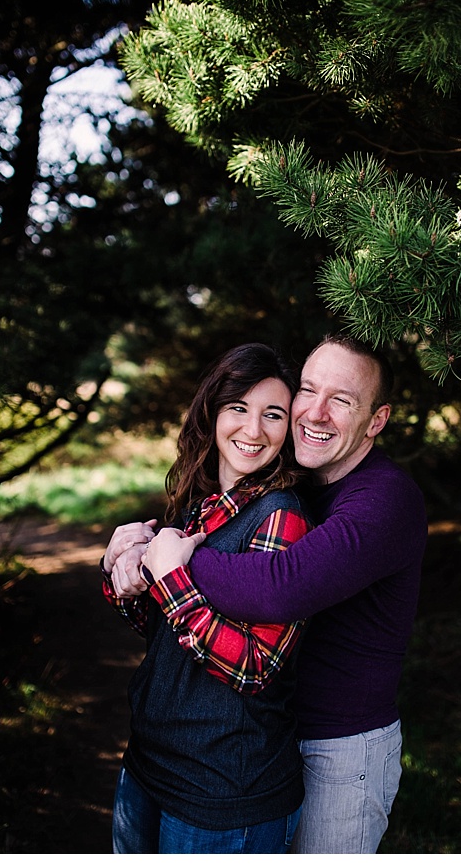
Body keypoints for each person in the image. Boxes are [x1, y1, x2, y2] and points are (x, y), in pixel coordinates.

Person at [108, 333, 427, 854]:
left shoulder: (384, 499)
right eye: (308, 390)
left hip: (338, 746)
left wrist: (171, 561)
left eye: (342, 400)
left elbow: (284, 585)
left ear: (377, 420)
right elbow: (175, 619)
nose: (316, 413)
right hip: (268, 735)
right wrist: (130, 560)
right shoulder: (286, 482)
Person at [101, 342, 313, 853]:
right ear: (213, 412)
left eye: (273, 415)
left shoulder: (281, 517)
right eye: (238, 408)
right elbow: (164, 630)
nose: (253, 429)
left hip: (226, 791)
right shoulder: (198, 503)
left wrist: (171, 578)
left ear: (289, 429)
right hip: (149, 764)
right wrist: (121, 569)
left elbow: (255, 667)